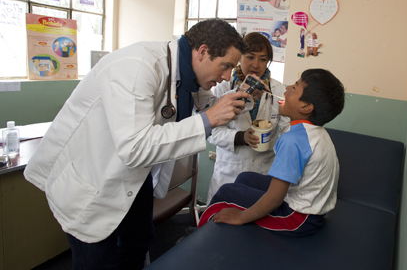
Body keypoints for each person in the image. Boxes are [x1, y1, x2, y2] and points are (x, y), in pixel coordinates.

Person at [24, 19, 250, 269]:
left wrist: (231, 104)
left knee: (139, 242)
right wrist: (208, 120)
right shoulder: (137, 66)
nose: (228, 76)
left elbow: (200, 103)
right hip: (92, 179)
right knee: (98, 261)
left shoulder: (183, 76)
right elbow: (135, 147)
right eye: (226, 66)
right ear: (203, 51)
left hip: (134, 177)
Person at [199, 69, 345, 237]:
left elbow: (275, 199)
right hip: (311, 211)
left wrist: (241, 217)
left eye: (294, 88)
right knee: (245, 178)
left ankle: (200, 237)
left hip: (297, 218)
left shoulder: (292, 140)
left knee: (227, 192)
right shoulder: (315, 132)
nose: (286, 88)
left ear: (305, 107)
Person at [206, 32, 290, 204]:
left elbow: (285, 128)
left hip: (264, 170)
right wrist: (240, 137)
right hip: (229, 170)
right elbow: (211, 131)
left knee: (254, 222)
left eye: (263, 59)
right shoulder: (222, 87)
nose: (256, 64)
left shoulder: (277, 89)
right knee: (219, 220)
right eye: (250, 57)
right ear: (240, 57)